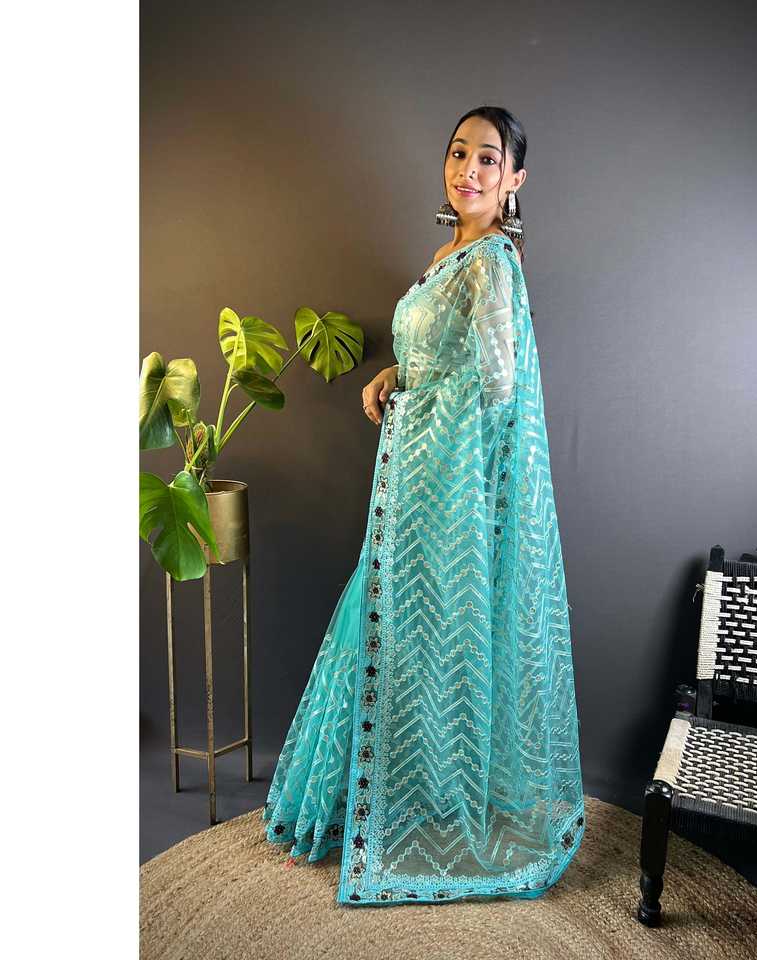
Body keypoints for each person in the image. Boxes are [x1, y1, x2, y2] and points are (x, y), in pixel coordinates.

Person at [261, 106, 585, 906]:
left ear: (514, 179)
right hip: (410, 486)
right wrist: (392, 376)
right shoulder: (449, 257)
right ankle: (369, 808)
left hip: (443, 494)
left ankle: (388, 814)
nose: (468, 169)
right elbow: (439, 358)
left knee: (409, 636)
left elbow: (499, 389)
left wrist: (418, 405)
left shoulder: (493, 264)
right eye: (458, 153)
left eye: (488, 159)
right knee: (386, 633)